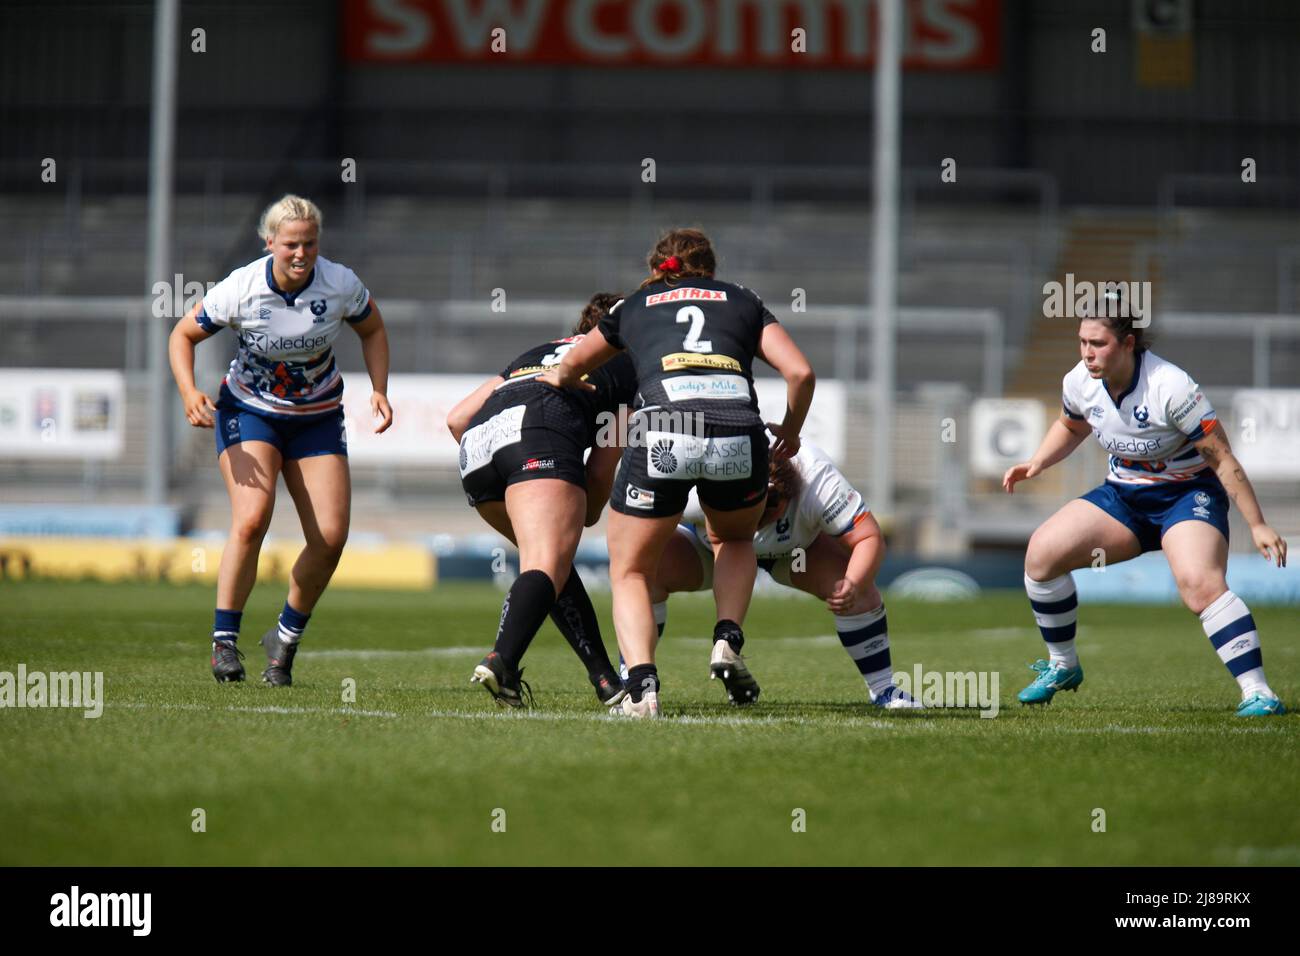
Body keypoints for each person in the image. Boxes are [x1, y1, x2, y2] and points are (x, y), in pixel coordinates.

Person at [539, 228, 815, 718]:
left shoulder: (635, 304)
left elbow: (575, 362)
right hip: (738, 430)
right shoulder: (743, 299)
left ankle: (644, 689)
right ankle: (727, 638)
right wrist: (790, 432)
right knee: (733, 541)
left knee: (631, 569)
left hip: (665, 428)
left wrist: (558, 378)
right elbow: (800, 374)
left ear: (656, 268)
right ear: (710, 267)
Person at [1003, 303, 1288, 716]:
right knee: (1041, 556)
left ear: (1128, 344)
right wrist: (1038, 462)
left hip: (1186, 496)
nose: (1087, 353)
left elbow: (1221, 458)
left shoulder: (1171, 387)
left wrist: (1258, 524)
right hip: (1124, 498)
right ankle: (1063, 665)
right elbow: (1071, 424)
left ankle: (1258, 692)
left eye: (1098, 343)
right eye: (1082, 342)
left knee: (1200, 586)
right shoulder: (1080, 380)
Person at [169, 194, 392, 686]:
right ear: (269, 242)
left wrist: (379, 389)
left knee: (331, 537)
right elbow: (182, 335)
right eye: (291, 243)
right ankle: (224, 642)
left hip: (316, 417)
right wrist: (188, 391)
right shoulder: (241, 288)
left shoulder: (340, 283)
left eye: (310, 243)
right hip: (249, 411)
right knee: (252, 518)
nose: (301, 253)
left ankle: (284, 639)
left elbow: (373, 330)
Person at [446, 294, 634, 707]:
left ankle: (605, 680)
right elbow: (602, 469)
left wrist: (508, 461)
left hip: (478, 448)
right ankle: (502, 660)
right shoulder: (626, 361)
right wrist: (586, 509)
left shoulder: (540, 350)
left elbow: (457, 418)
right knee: (548, 563)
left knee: (550, 565)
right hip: (538, 433)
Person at [645, 445, 921, 708]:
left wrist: (853, 583)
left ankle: (884, 688)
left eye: (770, 513)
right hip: (713, 551)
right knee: (647, 571)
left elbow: (869, 537)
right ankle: (637, 684)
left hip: (796, 555)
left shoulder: (818, 482)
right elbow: (641, 525)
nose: (758, 528)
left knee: (858, 590)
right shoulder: (698, 487)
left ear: (789, 495)